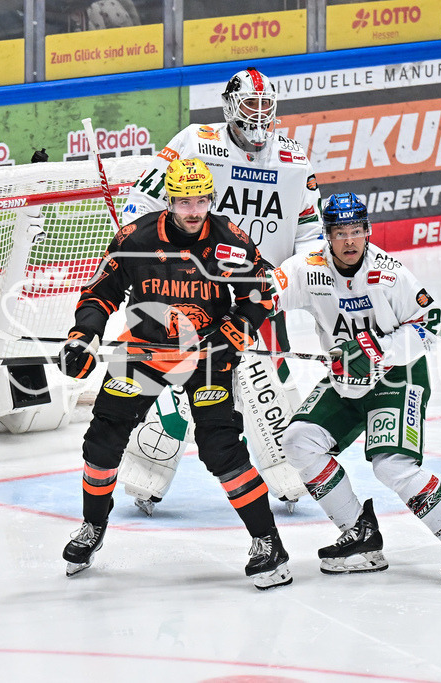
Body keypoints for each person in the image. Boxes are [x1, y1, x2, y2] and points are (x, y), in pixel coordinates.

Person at [56, 158, 292, 590]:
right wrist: (83, 336)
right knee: (103, 440)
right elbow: (98, 295)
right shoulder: (136, 238)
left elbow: (260, 294)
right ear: (169, 200)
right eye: (184, 201)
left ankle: (267, 541)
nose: (193, 210)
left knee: (220, 448)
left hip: (207, 355)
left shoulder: (230, 241)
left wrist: (234, 332)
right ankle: (93, 526)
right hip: (143, 352)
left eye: (201, 200)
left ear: (211, 199)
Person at [118, 66, 323, 515]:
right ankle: (146, 473)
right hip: (190, 293)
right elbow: (143, 202)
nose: (259, 114)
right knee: (174, 385)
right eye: (250, 104)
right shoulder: (196, 141)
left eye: (266, 105)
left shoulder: (294, 160)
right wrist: (143, 256)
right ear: (230, 106)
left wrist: (285, 280)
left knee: (270, 388)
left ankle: (286, 475)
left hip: (257, 296)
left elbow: (312, 236)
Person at [274, 192, 441, 587]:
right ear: (327, 235)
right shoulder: (309, 269)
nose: (349, 240)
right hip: (345, 378)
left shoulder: (389, 274)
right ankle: (358, 534)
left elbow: (431, 322)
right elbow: (266, 291)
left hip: (398, 377)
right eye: (340, 232)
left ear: (368, 231)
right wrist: (234, 313)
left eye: (356, 230)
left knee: (391, 464)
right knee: (298, 440)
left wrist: (375, 350)